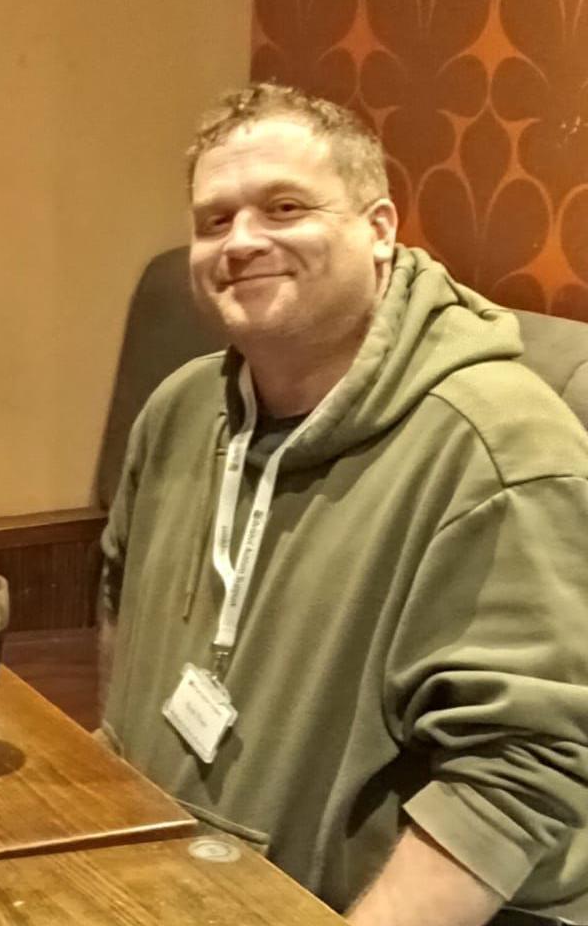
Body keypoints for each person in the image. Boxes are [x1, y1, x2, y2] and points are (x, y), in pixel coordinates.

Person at [98, 82, 588, 924]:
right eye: (214, 220)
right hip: (160, 887)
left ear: (381, 230)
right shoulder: (179, 410)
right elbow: (119, 604)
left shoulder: (500, 447)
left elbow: (522, 773)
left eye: (284, 207)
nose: (242, 241)